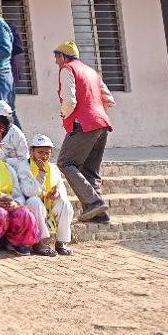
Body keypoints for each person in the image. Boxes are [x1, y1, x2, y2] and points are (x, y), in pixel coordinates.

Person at [54, 40, 116, 223]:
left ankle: (94, 203)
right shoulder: (92, 72)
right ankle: (99, 213)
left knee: (65, 162)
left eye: (57, 56)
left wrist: (64, 113)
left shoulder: (67, 69)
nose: (56, 61)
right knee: (90, 170)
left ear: (63, 56)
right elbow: (109, 100)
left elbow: (70, 99)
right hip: (101, 123)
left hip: (83, 123)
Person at [17, 133, 74, 256]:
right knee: (35, 202)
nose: (44, 156)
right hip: (31, 202)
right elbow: (28, 191)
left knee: (65, 203)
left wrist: (56, 194)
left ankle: (61, 242)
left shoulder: (53, 168)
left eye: (47, 153)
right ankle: (39, 243)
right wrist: (41, 174)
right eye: (40, 152)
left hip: (49, 201)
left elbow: (60, 187)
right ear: (32, 152)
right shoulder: (24, 166)